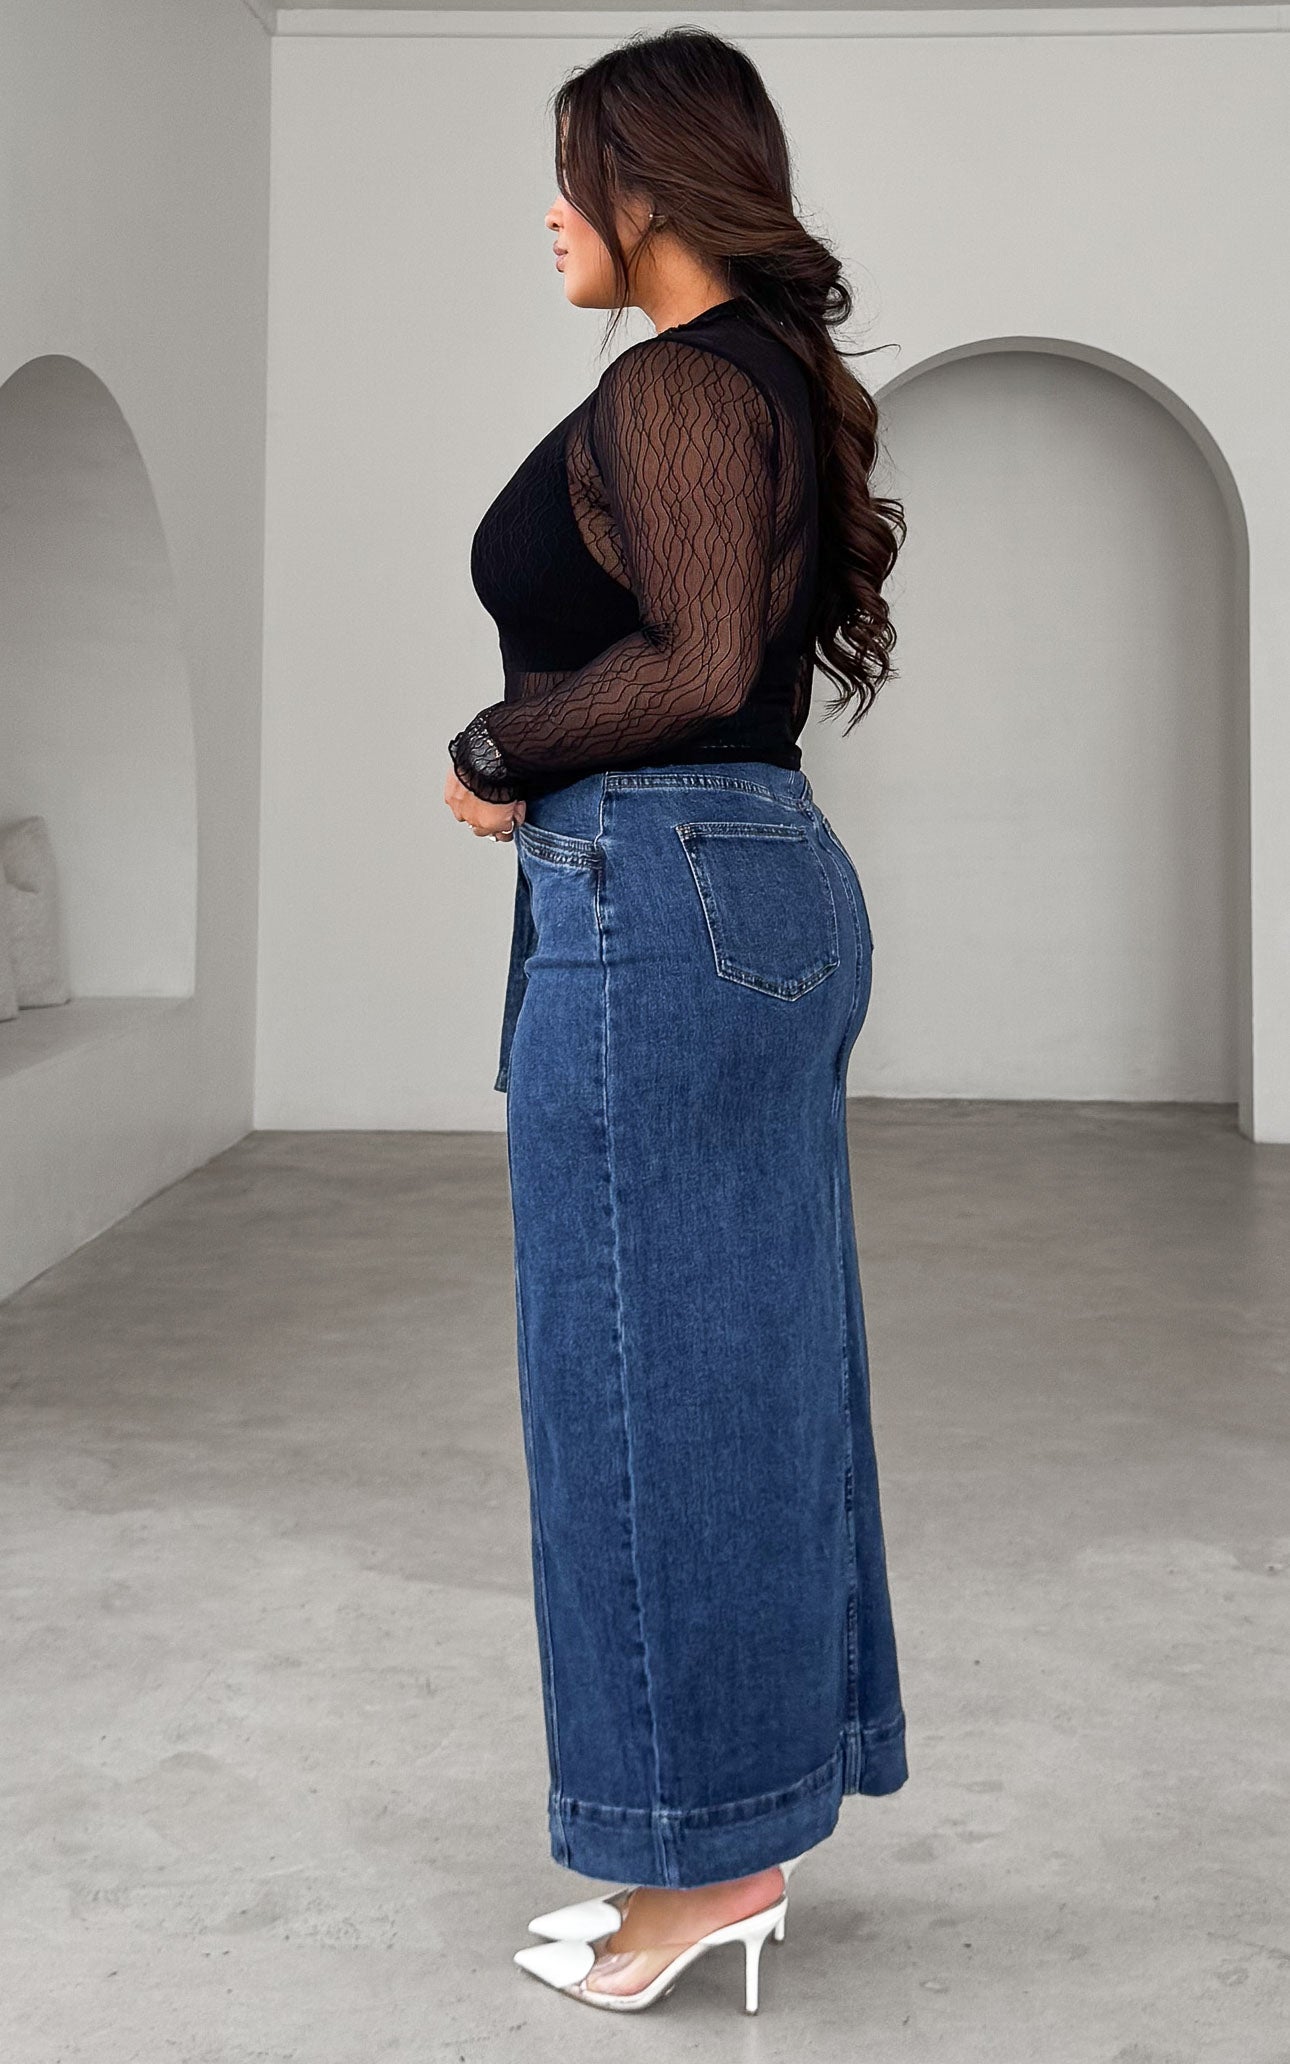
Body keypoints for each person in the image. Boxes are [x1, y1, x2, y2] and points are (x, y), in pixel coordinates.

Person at [444, 25, 909, 2016]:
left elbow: (700, 657)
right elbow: (733, 659)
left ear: (647, 183)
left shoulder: (676, 383)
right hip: (738, 882)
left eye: (573, 170)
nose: (551, 212)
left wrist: (495, 745)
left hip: (660, 888)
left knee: (642, 1382)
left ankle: (702, 1867)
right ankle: (737, 1827)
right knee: (741, 1371)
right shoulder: (764, 380)